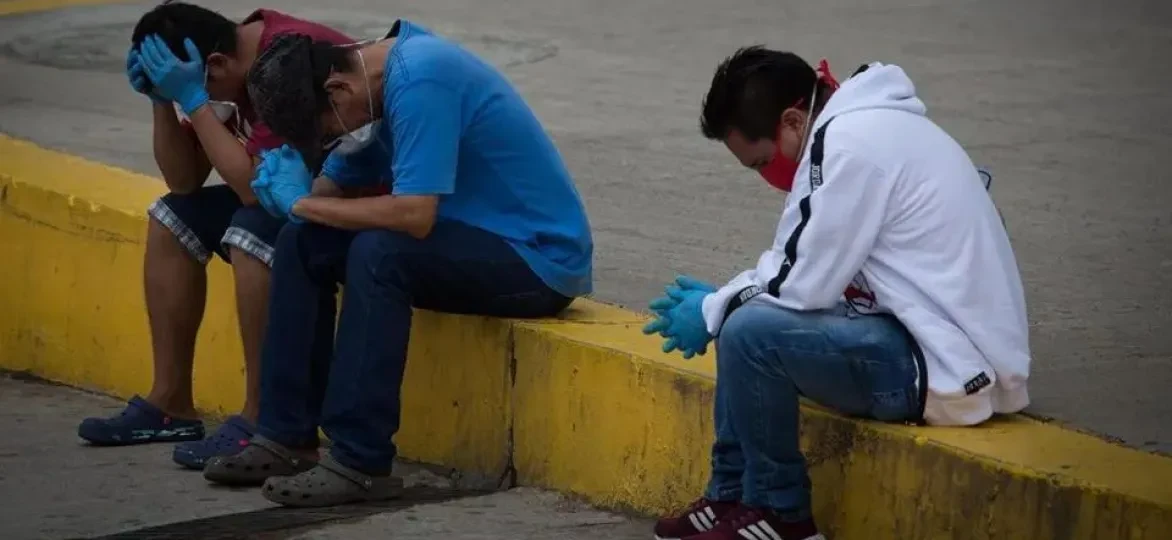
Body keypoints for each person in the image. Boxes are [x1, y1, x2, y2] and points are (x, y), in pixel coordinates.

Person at [198, 20, 594, 507]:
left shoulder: (422, 79)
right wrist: (295, 198)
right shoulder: (370, 87)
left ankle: (359, 461)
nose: (329, 142)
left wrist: (301, 204)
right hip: (467, 243)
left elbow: (414, 215)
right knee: (302, 240)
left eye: (324, 130)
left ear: (337, 90)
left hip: (535, 259)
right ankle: (286, 435)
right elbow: (328, 191)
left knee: (379, 251)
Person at [643, 47, 1030, 540]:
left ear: (792, 119)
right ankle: (731, 497)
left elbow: (801, 284)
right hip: (925, 336)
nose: (767, 176)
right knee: (746, 316)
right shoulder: (868, 126)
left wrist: (714, 307)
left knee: (748, 332)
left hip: (945, 365)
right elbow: (806, 273)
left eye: (761, 161)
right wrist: (725, 303)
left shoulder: (848, 145)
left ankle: (781, 516)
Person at [76, 1, 353, 470]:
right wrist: (164, 101)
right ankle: (171, 403)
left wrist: (196, 102)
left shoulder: (283, 59)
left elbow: (250, 192)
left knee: (248, 231)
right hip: (285, 195)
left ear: (218, 65)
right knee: (173, 217)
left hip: (352, 202)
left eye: (198, 84)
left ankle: (265, 419)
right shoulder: (218, 70)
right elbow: (183, 181)